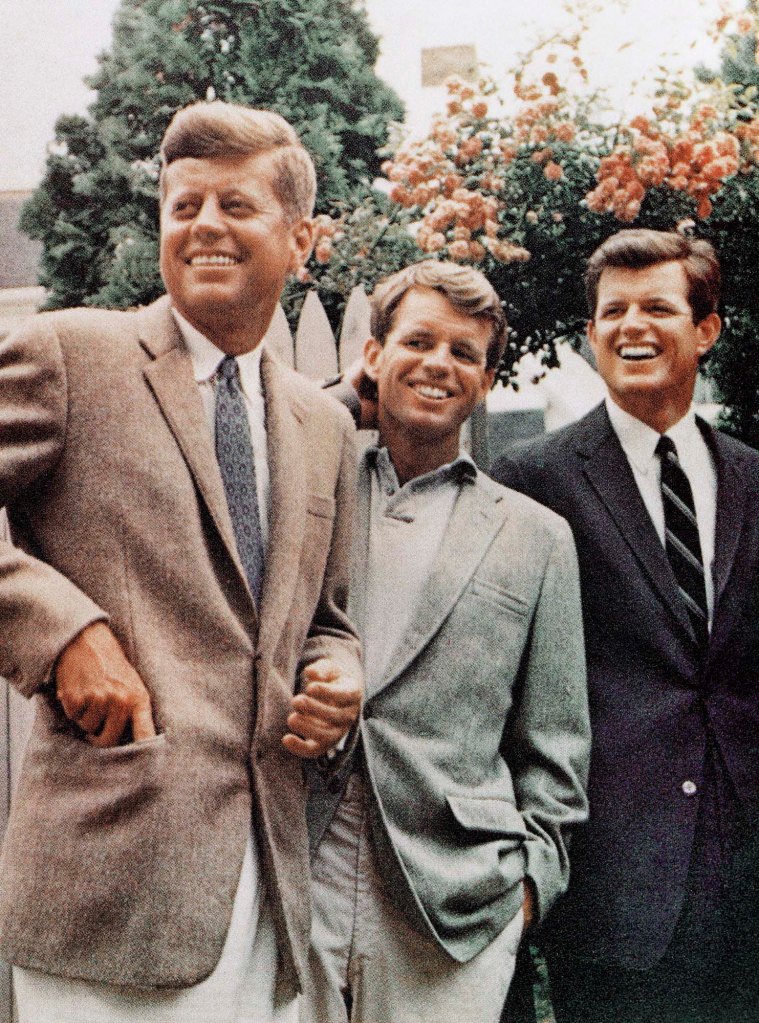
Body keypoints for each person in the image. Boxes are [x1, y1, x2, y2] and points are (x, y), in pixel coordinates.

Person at [0, 101, 363, 1023]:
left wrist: (335, 676)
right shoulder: (69, 354)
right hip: (109, 885)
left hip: (268, 886)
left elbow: (327, 619)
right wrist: (61, 629)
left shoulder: (325, 425)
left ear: (302, 237)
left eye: (236, 205)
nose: (203, 225)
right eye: (183, 205)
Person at [302, 261, 590, 1023]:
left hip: (453, 902)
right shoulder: (309, 490)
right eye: (417, 341)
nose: (438, 363)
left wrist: (527, 889)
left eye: (464, 353)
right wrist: (344, 402)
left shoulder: (535, 536)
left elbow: (557, 743)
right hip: (298, 871)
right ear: (371, 355)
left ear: (486, 380)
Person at [492, 228, 759, 1023]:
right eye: (612, 312)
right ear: (590, 333)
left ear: (706, 328)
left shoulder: (752, 477)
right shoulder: (533, 480)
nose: (630, 326)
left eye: (656, 307)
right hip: (617, 883)